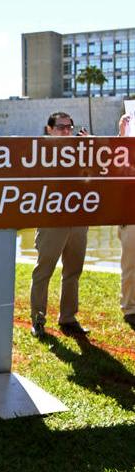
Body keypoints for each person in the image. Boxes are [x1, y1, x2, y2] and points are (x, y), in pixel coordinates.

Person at [29, 111, 89, 338]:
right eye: (61, 127)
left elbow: (92, 179)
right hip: (51, 221)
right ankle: (38, 319)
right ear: (50, 130)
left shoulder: (81, 151)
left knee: (73, 271)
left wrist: (88, 151)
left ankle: (68, 317)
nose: (66, 131)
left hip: (78, 220)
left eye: (69, 127)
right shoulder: (41, 153)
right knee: (43, 272)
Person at [118, 113, 135, 331]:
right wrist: (122, 135)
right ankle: (130, 308)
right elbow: (117, 163)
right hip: (130, 212)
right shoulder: (127, 145)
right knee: (131, 264)